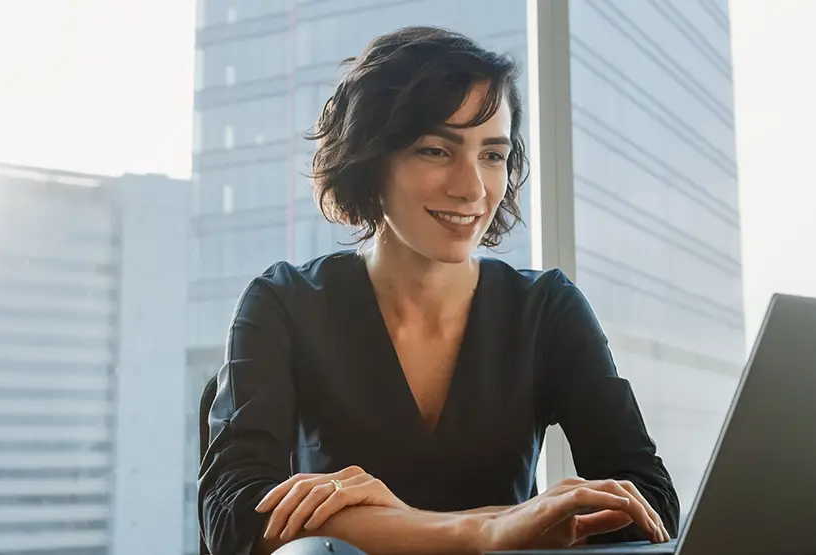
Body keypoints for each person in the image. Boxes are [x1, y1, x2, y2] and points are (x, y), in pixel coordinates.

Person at [199, 26, 680, 555]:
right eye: (435, 150)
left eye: (492, 155)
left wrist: (398, 523)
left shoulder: (546, 308)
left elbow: (649, 506)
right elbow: (234, 519)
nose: (472, 188)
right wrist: (487, 530)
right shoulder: (284, 302)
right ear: (370, 158)